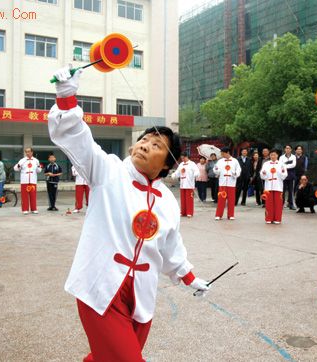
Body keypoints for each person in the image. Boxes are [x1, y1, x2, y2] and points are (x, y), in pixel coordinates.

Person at [48, 65, 209, 362]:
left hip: (140, 299)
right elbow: (77, 139)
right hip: (101, 290)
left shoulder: (167, 203)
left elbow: (171, 250)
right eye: (145, 140)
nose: (146, 146)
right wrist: (67, 97)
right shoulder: (107, 170)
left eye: (157, 145)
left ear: (167, 165)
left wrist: (190, 278)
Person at [214, 147, 241, 220]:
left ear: (228, 152)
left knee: (231, 200)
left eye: (223, 153)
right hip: (222, 183)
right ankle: (218, 215)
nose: (222, 155)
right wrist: (216, 170)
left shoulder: (235, 161)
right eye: (221, 154)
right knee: (221, 199)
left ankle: (231, 215)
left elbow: (238, 170)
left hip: (231, 183)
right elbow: (216, 170)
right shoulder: (220, 161)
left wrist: (235, 173)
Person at [261, 149, 287, 224]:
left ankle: (277, 219)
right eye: (271, 155)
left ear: (277, 155)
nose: (273, 156)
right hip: (268, 186)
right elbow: (262, 175)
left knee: (278, 203)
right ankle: (269, 218)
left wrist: (279, 171)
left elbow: (284, 175)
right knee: (268, 203)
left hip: (278, 186)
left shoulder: (281, 164)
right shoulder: (266, 164)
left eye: (274, 155)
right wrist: (264, 173)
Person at [14, 147, 42, 215]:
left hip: (33, 180)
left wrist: (39, 167)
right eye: (26, 152)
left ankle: (34, 209)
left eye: (29, 151)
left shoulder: (36, 160)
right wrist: (18, 165)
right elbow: (15, 169)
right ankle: (25, 209)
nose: (27, 153)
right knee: (24, 195)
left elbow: (39, 171)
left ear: (32, 152)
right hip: (24, 180)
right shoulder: (22, 160)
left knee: (33, 195)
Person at [172, 152, 200, 217]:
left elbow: (197, 171)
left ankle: (189, 212)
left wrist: (195, 174)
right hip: (182, 184)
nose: (183, 159)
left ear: (187, 156)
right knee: (183, 199)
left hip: (189, 184)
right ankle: (183, 212)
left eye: (184, 158)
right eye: (182, 158)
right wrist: (174, 175)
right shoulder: (181, 164)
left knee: (189, 199)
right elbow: (178, 172)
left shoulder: (192, 164)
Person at [279, 145, 296, 210]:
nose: (288, 149)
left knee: (291, 190)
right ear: (284, 149)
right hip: (283, 175)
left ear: (291, 149)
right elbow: (280, 165)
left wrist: (285, 165)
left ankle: (291, 204)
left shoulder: (293, 156)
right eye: (286, 148)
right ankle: (281, 204)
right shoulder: (281, 157)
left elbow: (294, 165)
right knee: (282, 190)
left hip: (291, 175)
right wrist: (287, 165)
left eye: (289, 148)